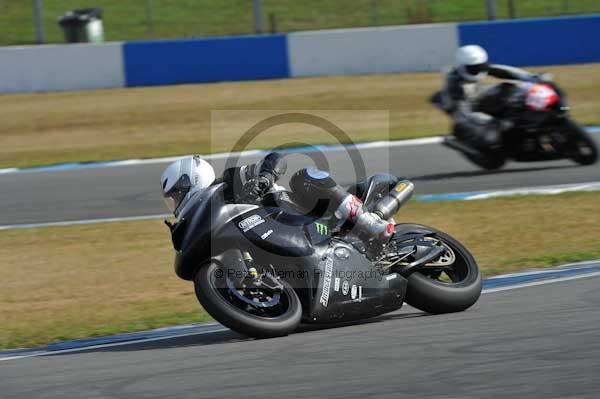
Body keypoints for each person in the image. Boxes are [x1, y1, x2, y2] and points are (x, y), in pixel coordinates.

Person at [160, 152, 394, 242]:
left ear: (192, 179)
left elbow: (275, 159)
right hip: (279, 239)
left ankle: (369, 223)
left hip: (300, 213)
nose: (176, 203)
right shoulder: (205, 218)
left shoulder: (228, 183)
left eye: (176, 196)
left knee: (305, 177)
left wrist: (264, 178)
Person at [434, 44, 547, 148]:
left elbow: (502, 71)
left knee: (507, 87)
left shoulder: (477, 67)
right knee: (491, 138)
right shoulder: (455, 85)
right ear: (461, 67)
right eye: (473, 68)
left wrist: (530, 77)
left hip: (475, 96)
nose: (478, 70)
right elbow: (465, 114)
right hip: (464, 109)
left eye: (480, 66)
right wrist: (492, 122)